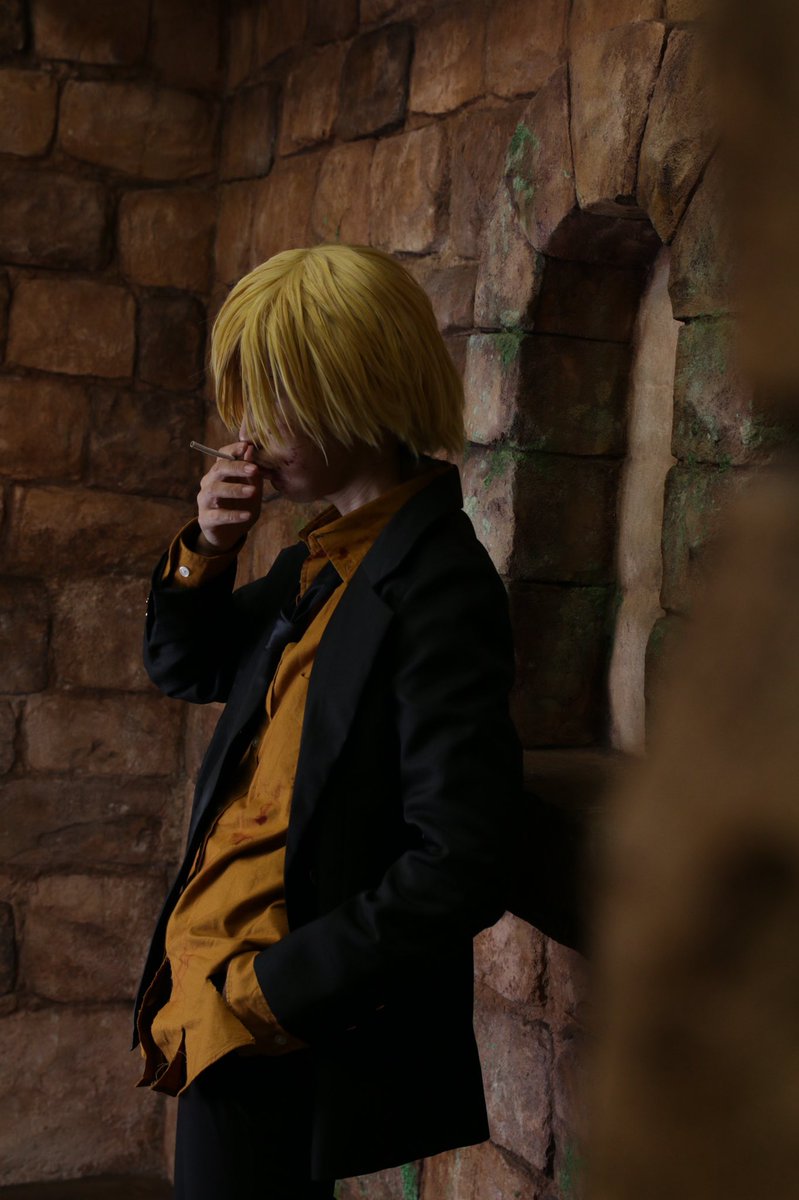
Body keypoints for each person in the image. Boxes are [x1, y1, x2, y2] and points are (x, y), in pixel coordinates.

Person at [132, 243, 523, 1199]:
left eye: (273, 405)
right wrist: (206, 550)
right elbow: (188, 665)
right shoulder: (320, 558)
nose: (247, 437)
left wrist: (267, 995)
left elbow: (462, 861)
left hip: (269, 1021)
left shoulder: (436, 583)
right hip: (215, 999)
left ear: (353, 394)